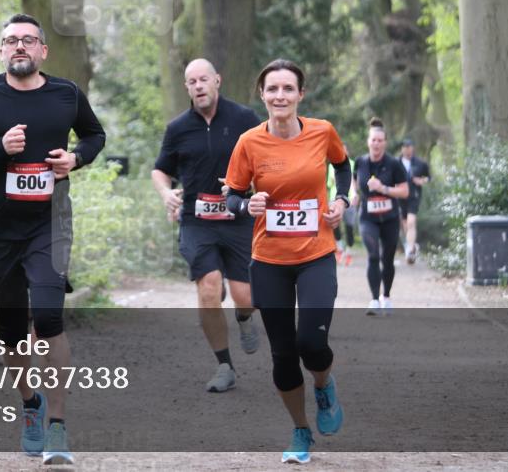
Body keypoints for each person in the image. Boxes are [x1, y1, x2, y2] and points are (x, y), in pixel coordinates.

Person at [0, 14, 105, 465]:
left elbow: (95, 135)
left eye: (28, 40)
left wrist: (75, 159)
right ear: (0, 51)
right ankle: (29, 403)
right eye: (11, 40)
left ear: (42, 51)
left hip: (50, 224)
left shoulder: (67, 94)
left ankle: (57, 425)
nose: (19, 47)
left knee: (49, 318)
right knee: (13, 329)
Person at [223, 59, 351, 465]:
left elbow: (343, 165)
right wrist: (248, 205)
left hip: (316, 254)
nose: (280, 96)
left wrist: (342, 201)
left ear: (300, 94)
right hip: (269, 260)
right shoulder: (248, 142)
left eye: (287, 89)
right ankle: (300, 430)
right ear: (262, 95)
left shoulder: (322, 131)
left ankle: (324, 385)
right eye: (272, 89)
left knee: (311, 343)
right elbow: (232, 197)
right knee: (282, 354)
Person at [151, 59, 262, 393]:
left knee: (246, 296)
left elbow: (264, 160)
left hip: (238, 218)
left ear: (217, 80)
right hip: (196, 219)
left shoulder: (244, 119)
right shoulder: (178, 128)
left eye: (203, 79)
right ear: (186, 88)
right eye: (191, 82)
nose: (198, 86)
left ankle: (244, 318)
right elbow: (160, 170)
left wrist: (253, 189)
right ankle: (224, 365)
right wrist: (165, 192)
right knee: (209, 286)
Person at [352, 119, 409, 316]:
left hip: (390, 218)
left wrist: (383, 188)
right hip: (368, 217)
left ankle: (386, 296)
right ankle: (374, 299)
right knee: (373, 255)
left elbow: (404, 191)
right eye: (373, 140)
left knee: (388, 257)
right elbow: (353, 179)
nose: (376, 143)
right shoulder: (360, 162)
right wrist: (354, 194)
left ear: (385, 143)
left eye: (380, 140)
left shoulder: (394, 164)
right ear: (368, 142)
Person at [398, 137, 430, 264]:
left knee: (411, 222)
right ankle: (412, 245)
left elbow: (428, 177)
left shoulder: (420, 163)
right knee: (405, 224)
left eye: (409, 147)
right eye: (405, 147)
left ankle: (409, 251)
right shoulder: (396, 162)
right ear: (402, 149)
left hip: (414, 195)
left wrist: (422, 181)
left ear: (413, 148)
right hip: (400, 196)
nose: (407, 149)